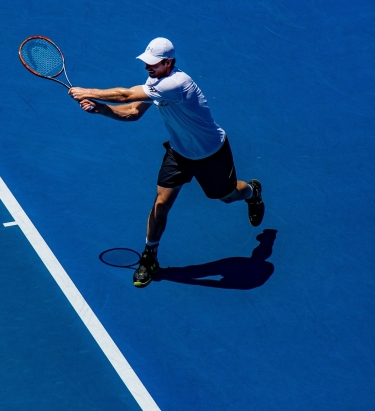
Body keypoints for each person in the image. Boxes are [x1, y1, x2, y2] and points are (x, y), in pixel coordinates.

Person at [68, 37, 265, 288]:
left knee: (226, 196)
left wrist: (86, 91)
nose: (147, 67)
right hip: (179, 153)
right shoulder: (155, 81)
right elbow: (133, 112)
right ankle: (150, 257)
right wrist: (101, 109)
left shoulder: (177, 83)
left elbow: (125, 94)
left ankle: (252, 191)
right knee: (161, 203)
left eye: (153, 63)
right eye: (146, 62)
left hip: (211, 153)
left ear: (169, 62)